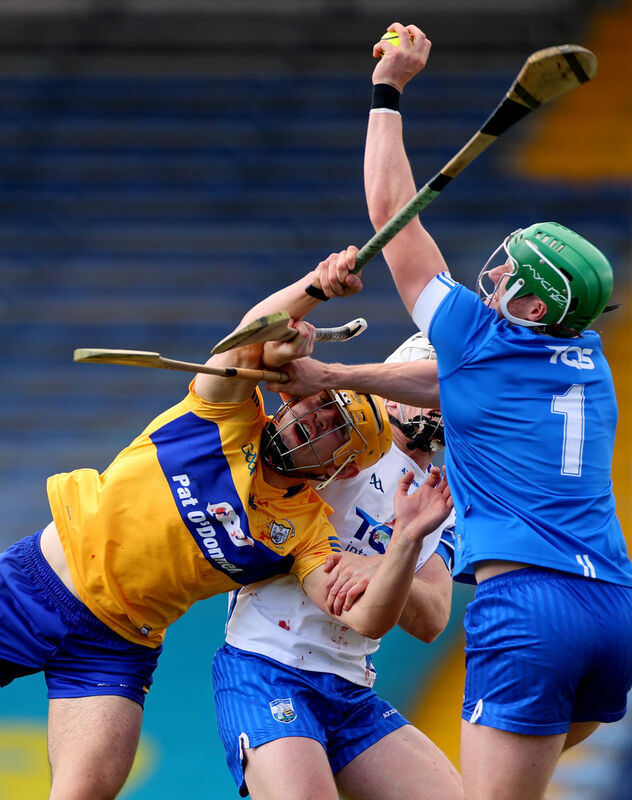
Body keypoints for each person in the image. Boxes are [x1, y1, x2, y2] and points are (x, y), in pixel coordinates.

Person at [265, 23, 632, 800]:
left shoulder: (479, 335)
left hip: (527, 605)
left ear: (532, 305)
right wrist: (330, 370)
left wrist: (388, 88)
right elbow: (450, 387)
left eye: (509, 276)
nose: (490, 278)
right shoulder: (590, 363)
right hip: (612, 609)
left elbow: (389, 210)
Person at [0, 246, 455, 800]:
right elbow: (250, 334)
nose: (316, 420)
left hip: (117, 643)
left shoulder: (305, 526)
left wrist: (405, 542)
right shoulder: (224, 413)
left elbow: (364, 617)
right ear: (292, 398)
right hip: (36, 584)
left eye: (337, 429)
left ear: (345, 467)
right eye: (319, 405)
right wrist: (316, 287)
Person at [212, 331, 462, 800]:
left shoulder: (443, 497)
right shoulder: (344, 429)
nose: (444, 400)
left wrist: (385, 565)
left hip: (349, 684)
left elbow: (432, 618)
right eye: (434, 385)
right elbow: (284, 397)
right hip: (268, 663)